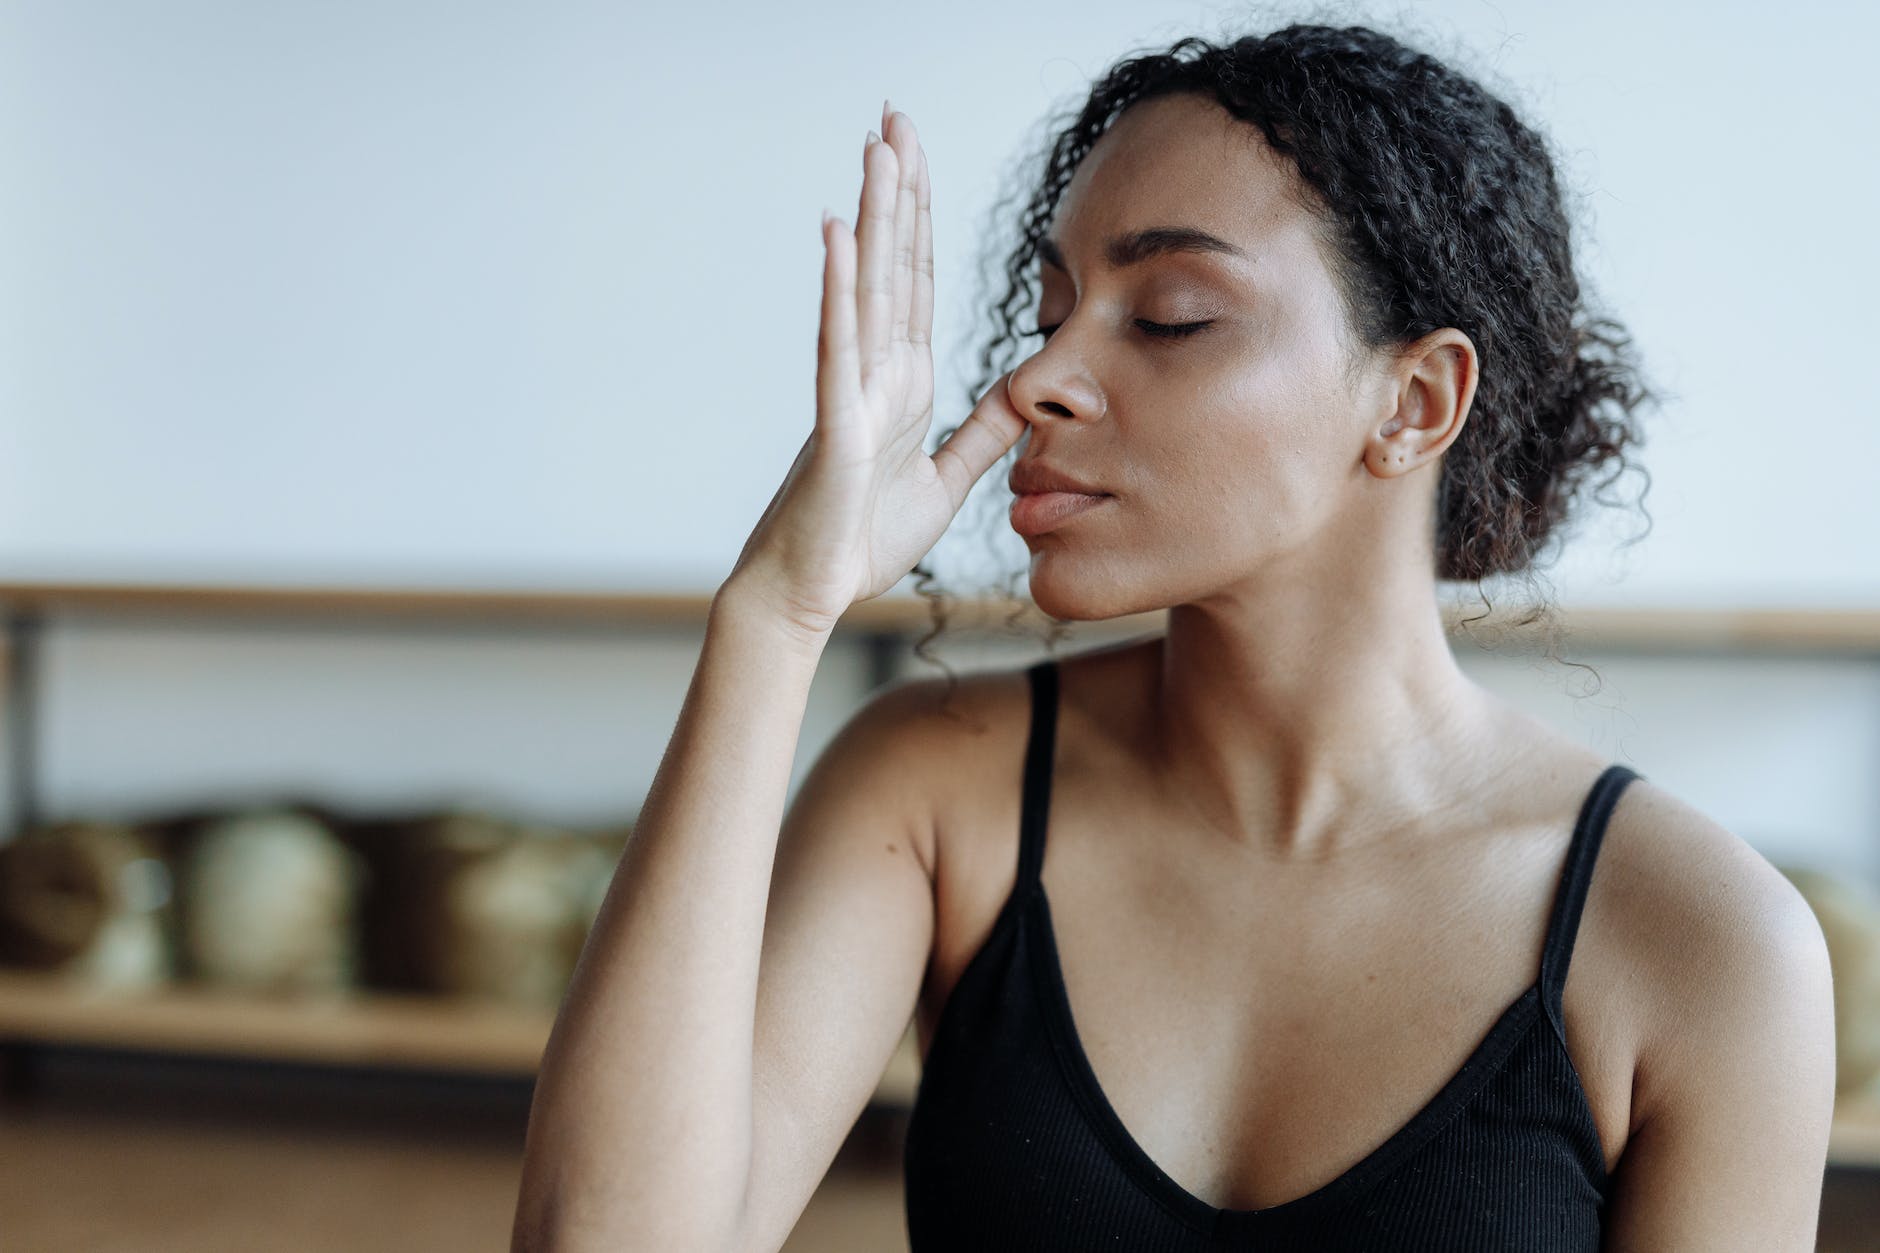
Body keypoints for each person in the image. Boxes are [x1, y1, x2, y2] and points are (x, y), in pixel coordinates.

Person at [511, 22, 1836, 1252]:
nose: (1036, 380)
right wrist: (775, 613)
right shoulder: (933, 795)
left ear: (1416, 400)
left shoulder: (1702, 942)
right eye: (1049, 312)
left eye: (1169, 317)